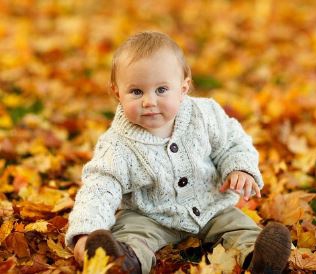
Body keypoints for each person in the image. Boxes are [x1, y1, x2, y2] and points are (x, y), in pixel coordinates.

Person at [65, 31, 291, 273]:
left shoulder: (205, 114)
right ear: (116, 92)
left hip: (211, 207)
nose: (149, 101)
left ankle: (259, 259)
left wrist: (239, 167)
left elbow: (233, 142)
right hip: (150, 215)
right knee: (132, 233)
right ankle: (122, 262)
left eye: (161, 90)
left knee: (238, 227)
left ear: (183, 88)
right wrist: (85, 231)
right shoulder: (117, 144)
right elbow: (100, 187)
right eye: (136, 92)